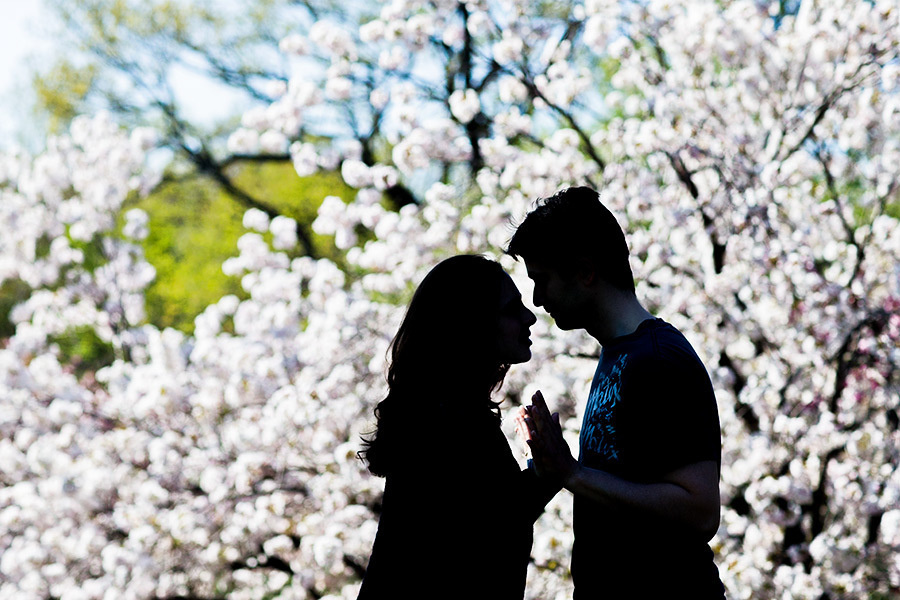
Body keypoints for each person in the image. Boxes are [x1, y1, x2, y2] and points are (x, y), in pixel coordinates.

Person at [508, 187, 726, 598]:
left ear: (585, 272)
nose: (536, 299)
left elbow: (700, 511)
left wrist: (572, 474)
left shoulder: (659, 359)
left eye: (542, 280)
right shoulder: (621, 354)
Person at [357, 254, 556, 600]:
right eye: (512, 309)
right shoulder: (449, 426)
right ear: (472, 324)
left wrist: (544, 469)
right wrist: (548, 471)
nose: (530, 317)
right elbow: (480, 544)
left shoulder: (446, 416)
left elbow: (489, 519)